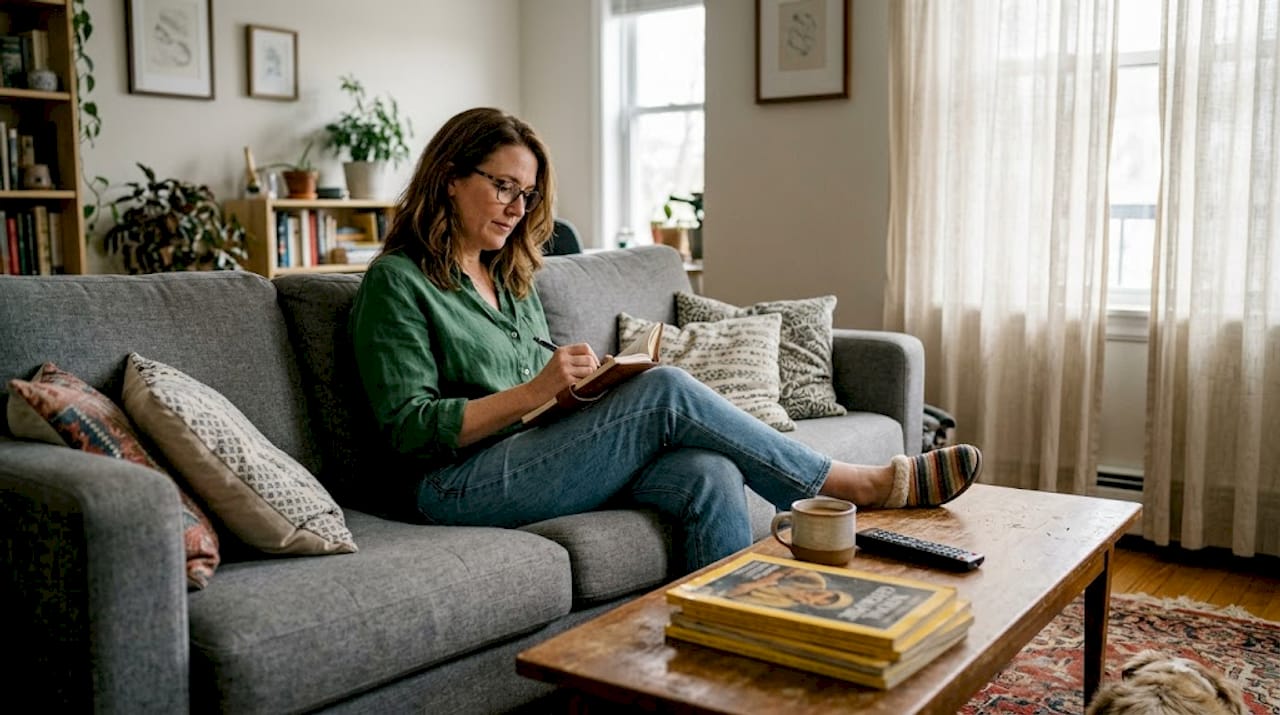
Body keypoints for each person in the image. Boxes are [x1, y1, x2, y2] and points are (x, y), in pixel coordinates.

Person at [348, 107, 983, 574]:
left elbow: (535, 400)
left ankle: (734, 644)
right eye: (503, 186)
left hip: (532, 456)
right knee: (667, 389)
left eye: (528, 193)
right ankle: (848, 485)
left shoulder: (508, 277)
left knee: (706, 471)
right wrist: (536, 391)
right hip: (448, 487)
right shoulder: (397, 282)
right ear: (451, 177)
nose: (517, 207)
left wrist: (578, 394)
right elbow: (408, 429)